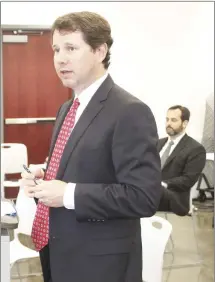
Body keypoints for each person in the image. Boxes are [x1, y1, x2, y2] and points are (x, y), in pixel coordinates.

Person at [21, 11, 162, 282]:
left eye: (71, 48)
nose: (60, 58)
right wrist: (45, 178)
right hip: (58, 249)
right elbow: (80, 168)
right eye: (56, 49)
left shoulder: (130, 111)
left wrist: (68, 194)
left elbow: (143, 197)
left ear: (100, 51)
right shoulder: (67, 108)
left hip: (99, 263)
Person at [158, 105, 206, 216]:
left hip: (173, 197)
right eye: (167, 119)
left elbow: (188, 180)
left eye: (173, 120)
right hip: (151, 191)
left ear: (184, 123)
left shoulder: (195, 149)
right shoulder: (158, 143)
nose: (168, 123)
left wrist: (163, 184)